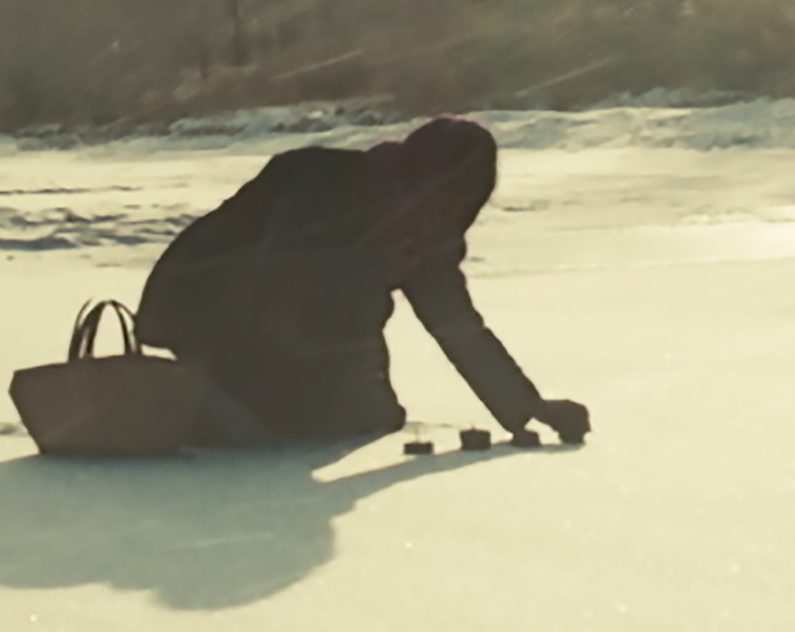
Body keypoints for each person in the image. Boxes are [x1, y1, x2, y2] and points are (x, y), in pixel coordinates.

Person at [133, 115, 587, 447]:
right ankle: (197, 397)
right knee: (274, 428)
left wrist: (525, 407)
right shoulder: (321, 181)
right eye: (439, 200)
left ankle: (247, 400)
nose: (441, 219)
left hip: (300, 323)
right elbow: (283, 279)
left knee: (373, 417)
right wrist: (372, 271)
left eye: (458, 209)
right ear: (415, 180)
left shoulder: (429, 235)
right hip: (207, 307)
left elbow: (456, 324)